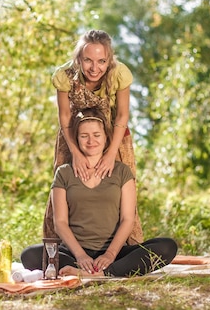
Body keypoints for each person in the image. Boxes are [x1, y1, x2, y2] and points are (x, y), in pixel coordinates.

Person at [23, 108, 178, 277]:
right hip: (74, 253)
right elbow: (60, 222)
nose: (91, 141)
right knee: (29, 255)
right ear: (76, 138)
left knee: (167, 246)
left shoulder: (122, 172)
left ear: (106, 137)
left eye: (97, 135)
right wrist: (81, 255)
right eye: (84, 136)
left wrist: (110, 255)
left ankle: (102, 273)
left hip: (114, 253)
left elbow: (128, 219)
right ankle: (89, 269)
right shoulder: (64, 173)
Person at [43, 29, 144, 245]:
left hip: (114, 133)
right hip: (73, 134)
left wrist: (109, 155)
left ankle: (124, 247)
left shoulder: (119, 74)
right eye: (88, 60)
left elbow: (123, 115)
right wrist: (75, 152)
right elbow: (64, 116)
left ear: (109, 60)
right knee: (64, 183)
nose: (94, 68)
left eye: (101, 61)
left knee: (119, 184)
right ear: (78, 58)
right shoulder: (65, 76)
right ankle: (58, 249)